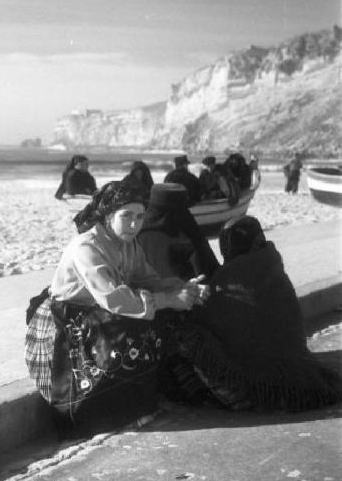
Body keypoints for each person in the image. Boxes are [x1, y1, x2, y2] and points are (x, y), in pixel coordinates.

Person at [25, 181, 207, 436]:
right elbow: (114, 299)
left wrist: (181, 287)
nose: (135, 224)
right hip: (67, 321)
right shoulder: (86, 247)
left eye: (140, 216)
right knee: (125, 330)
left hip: (100, 309)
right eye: (127, 216)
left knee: (156, 321)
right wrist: (168, 299)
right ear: (108, 216)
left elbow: (147, 280)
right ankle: (97, 416)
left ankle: (137, 406)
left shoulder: (128, 243)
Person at [179, 216, 341, 412]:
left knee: (187, 332)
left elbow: (205, 318)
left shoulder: (231, 275)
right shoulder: (272, 265)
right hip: (300, 382)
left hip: (252, 392)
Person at [137, 183, 219, 282]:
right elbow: (207, 274)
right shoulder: (188, 236)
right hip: (185, 293)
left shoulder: (135, 233)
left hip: (145, 294)